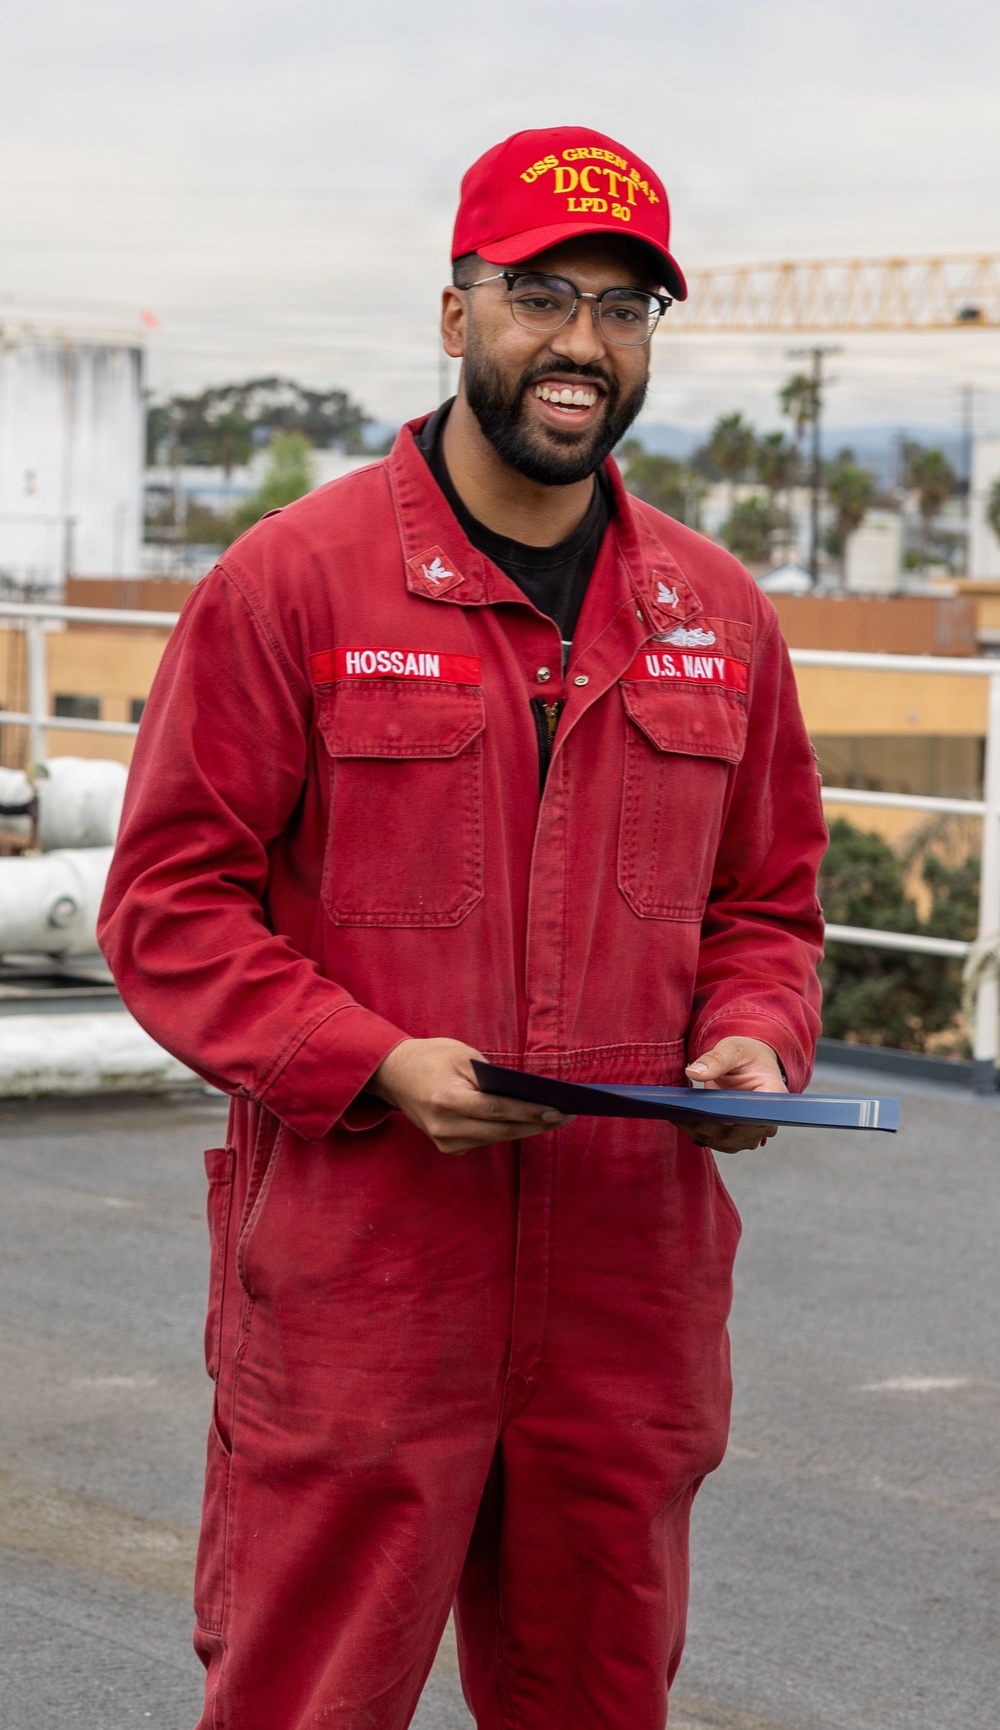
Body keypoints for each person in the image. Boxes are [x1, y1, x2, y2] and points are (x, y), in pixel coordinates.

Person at [99, 125, 825, 1730]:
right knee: (310, 1699)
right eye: (542, 296)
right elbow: (163, 904)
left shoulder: (716, 615)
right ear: (455, 315)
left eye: (626, 308)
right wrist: (369, 1062)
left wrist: (754, 1032)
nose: (583, 344)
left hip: (626, 1297)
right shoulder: (293, 583)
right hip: (368, 1280)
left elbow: (767, 905)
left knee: (594, 1701)